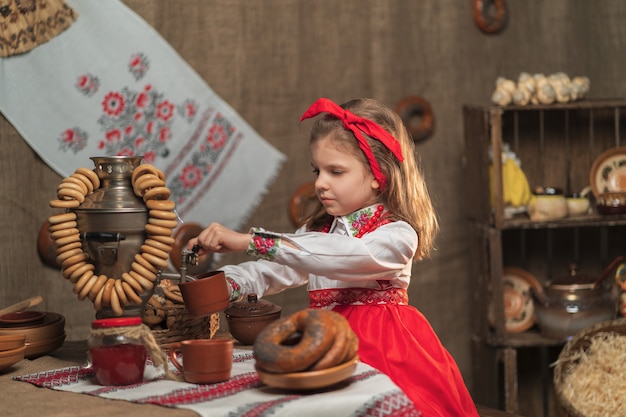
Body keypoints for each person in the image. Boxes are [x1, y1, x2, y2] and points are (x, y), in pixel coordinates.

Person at [188, 97, 479, 417]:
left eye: (335, 171)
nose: (320, 184)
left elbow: (344, 256)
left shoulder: (396, 236)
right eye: (317, 170)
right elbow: (274, 270)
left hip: (384, 357)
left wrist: (250, 240)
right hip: (322, 348)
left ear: (377, 174)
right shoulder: (318, 234)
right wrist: (223, 284)